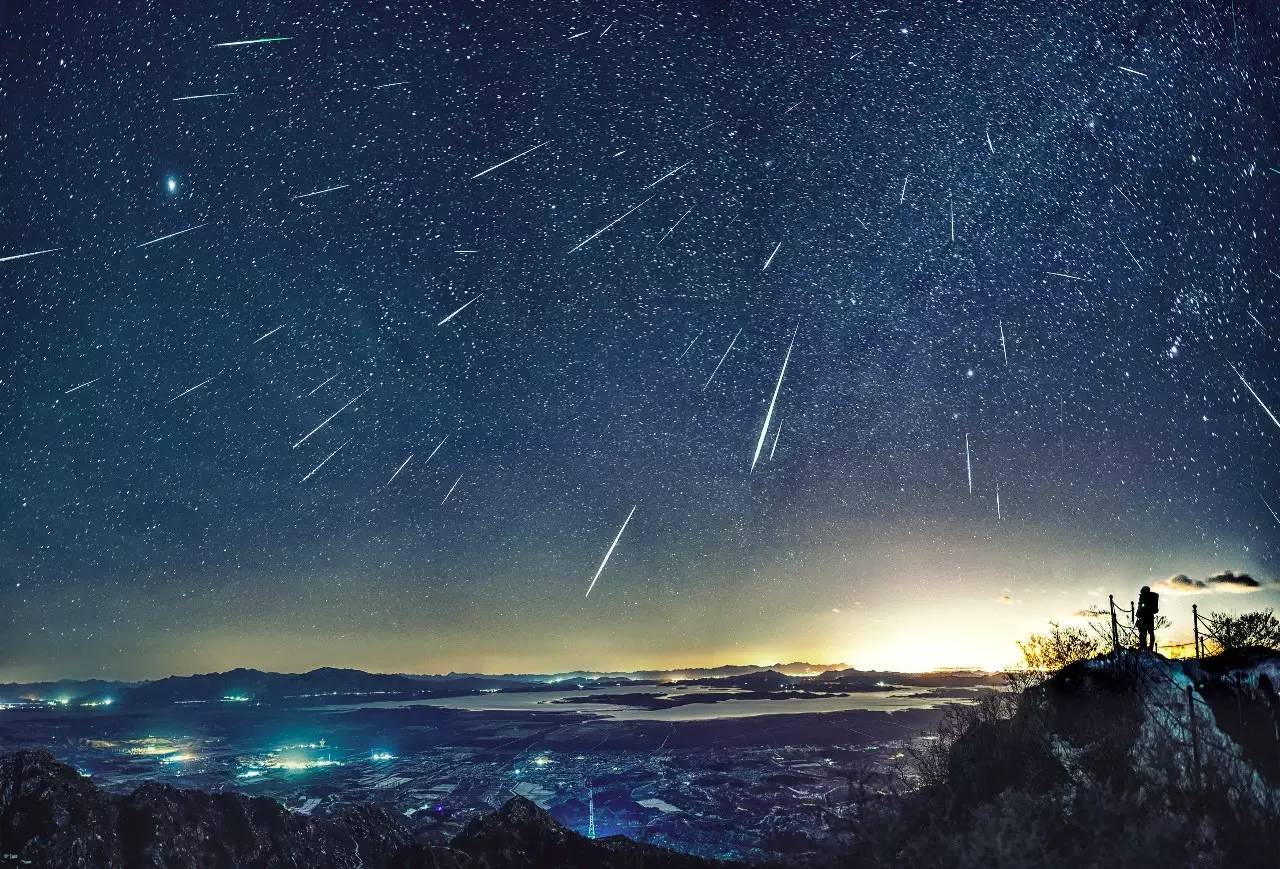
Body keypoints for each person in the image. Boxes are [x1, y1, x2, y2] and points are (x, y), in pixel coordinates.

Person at [1136, 586, 1159, 651]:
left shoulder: (1145, 597)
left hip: (1146, 617)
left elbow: (1141, 607)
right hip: (1148, 617)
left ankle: (1146, 647)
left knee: (1145, 632)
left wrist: (1138, 614)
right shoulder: (1147, 597)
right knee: (1148, 632)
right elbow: (1140, 606)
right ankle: (1147, 647)